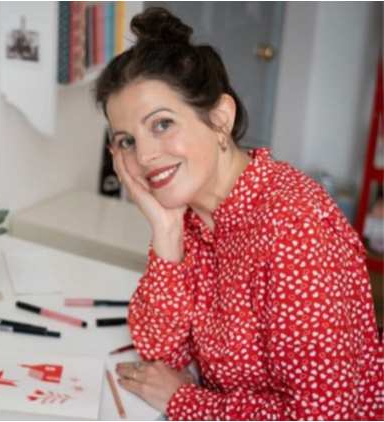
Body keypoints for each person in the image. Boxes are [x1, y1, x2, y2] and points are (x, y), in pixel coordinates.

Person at [93, 7, 380, 421]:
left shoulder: (294, 229)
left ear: (219, 118)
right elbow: (162, 357)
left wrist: (185, 402)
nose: (144, 156)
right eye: (126, 141)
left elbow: (323, 415)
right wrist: (166, 231)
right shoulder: (190, 214)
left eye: (162, 124)